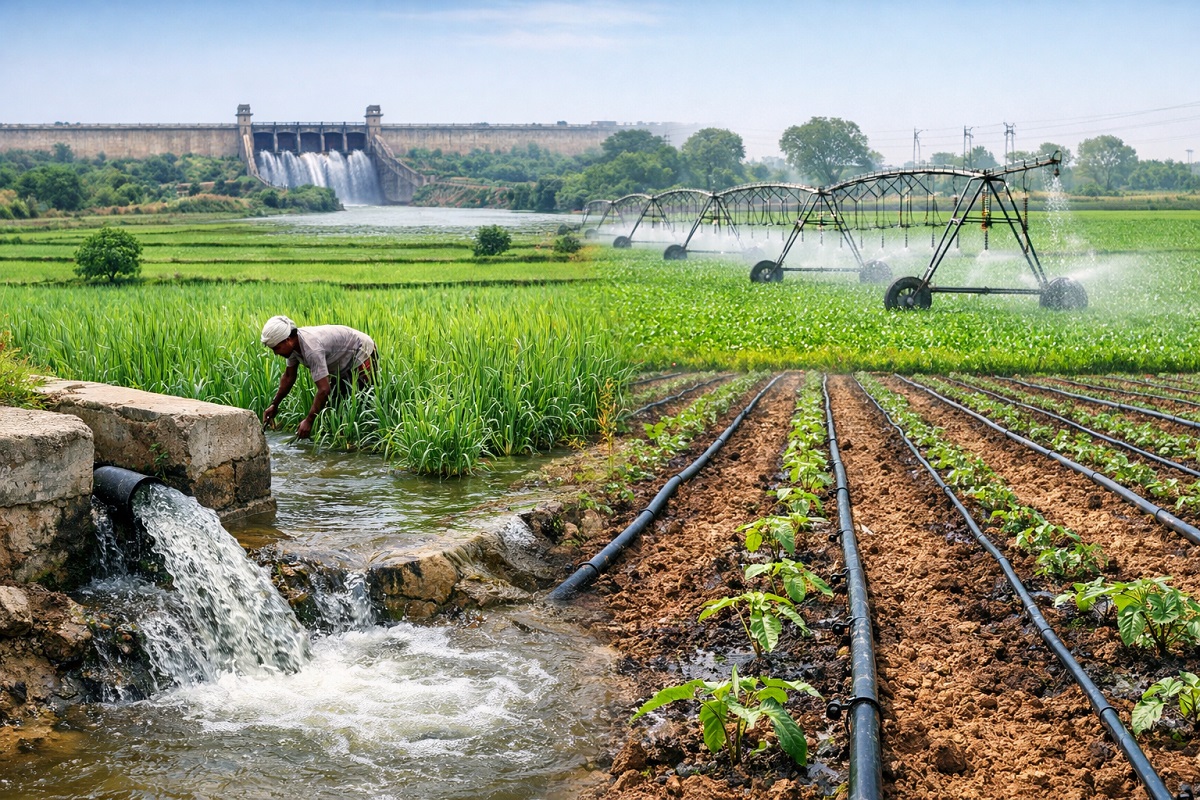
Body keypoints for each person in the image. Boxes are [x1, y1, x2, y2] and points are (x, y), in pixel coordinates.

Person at [260, 315, 377, 439]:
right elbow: (289, 377)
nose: (276, 353)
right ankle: (341, 439)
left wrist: (309, 421)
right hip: (342, 360)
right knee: (336, 407)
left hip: (361, 350)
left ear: (288, 340)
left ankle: (368, 437)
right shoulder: (293, 347)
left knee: (361, 402)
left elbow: (324, 389)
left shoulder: (311, 349)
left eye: (276, 348)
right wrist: (274, 404)